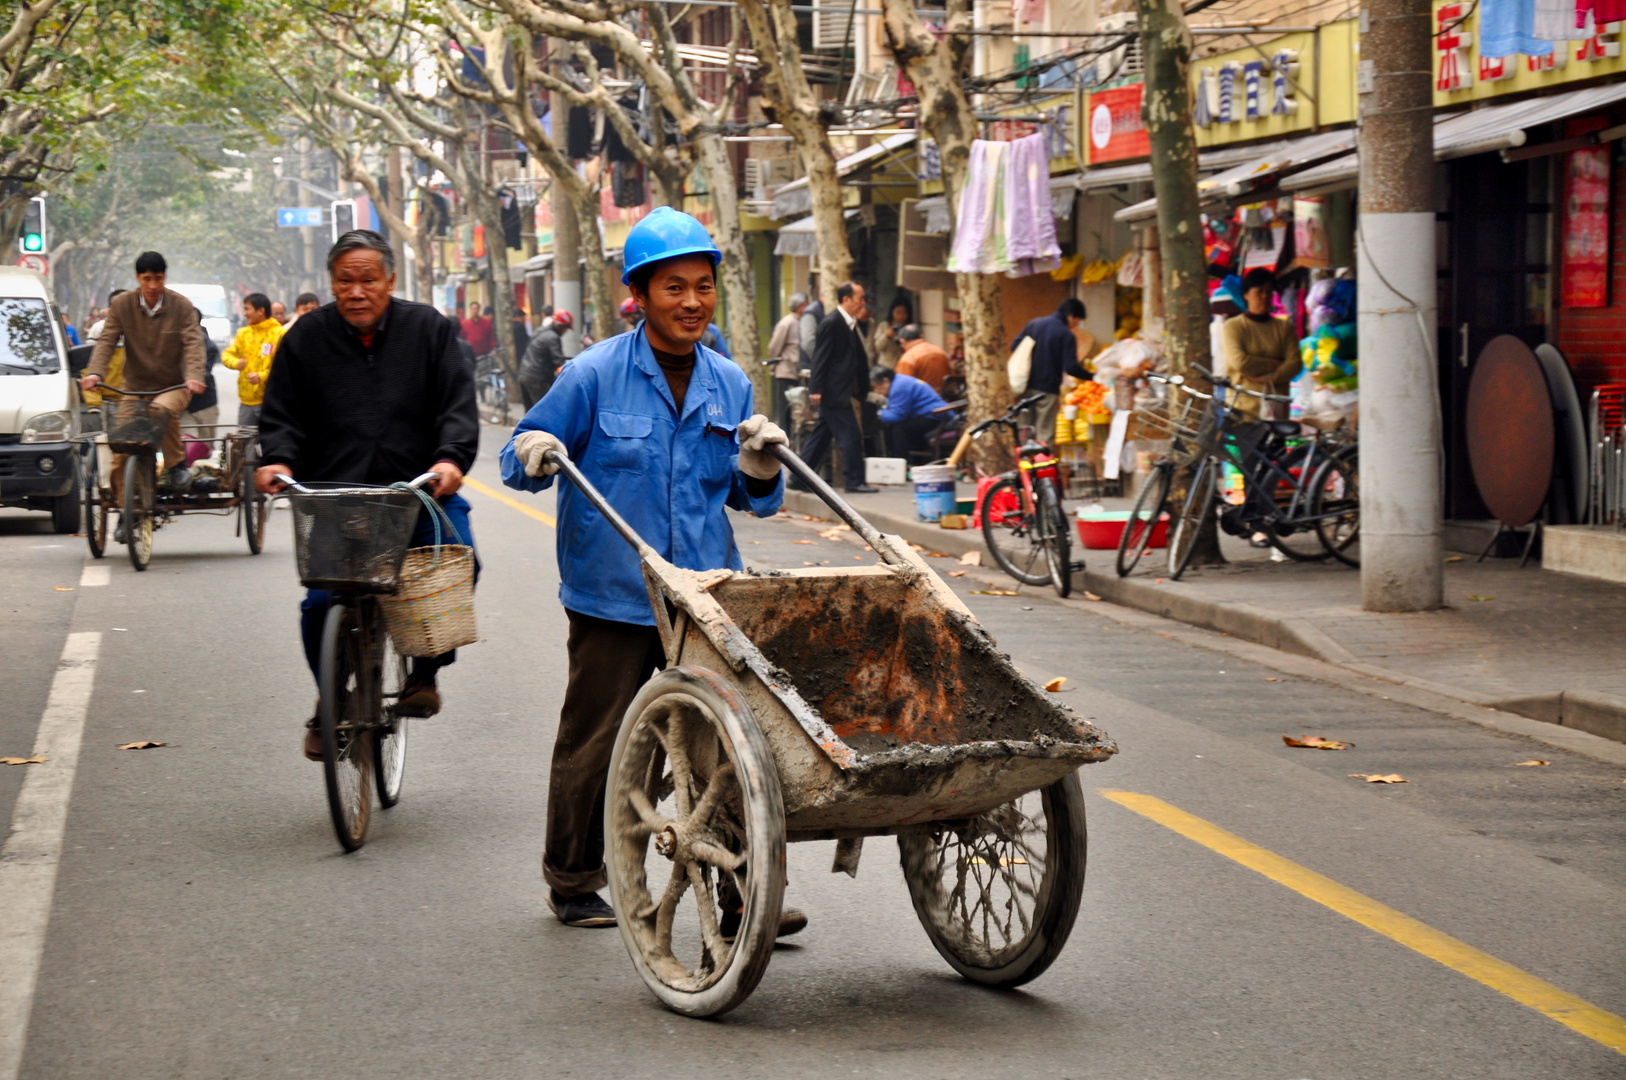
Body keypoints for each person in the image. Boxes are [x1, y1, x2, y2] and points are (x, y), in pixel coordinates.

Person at [499, 206, 796, 932]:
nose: (691, 302)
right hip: (615, 597)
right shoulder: (593, 374)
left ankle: (738, 896)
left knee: (723, 746)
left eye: (702, 287)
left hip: (703, 594)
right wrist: (536, 444)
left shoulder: (729, 383)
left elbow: (746, 495)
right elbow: (518, 456)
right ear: (639, 294)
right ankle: (571, 880)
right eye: (673, 288)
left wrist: (758, 467)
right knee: (598, 738)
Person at [255, 230, 479, 760]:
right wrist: (279, 460)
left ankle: (424, 675)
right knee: (318, 605)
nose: (356, 291)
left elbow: (456, 402)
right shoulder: (305, 338)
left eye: (368, 279)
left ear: (390, 281)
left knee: (455, 564)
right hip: (337, 499)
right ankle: (331, 695)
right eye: (344, 281)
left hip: (419, 492)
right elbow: (281, 413)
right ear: (332, 284)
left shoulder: (428, 330)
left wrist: (451, 457)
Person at [79, 252, 207, 531]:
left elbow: (194, 345)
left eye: (158, 279)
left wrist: (194, 377)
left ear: (164, 277)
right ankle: (127, 509)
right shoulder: (122, 305)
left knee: (160, 409)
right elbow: (106, 342)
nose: (152, 285)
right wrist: (94, 373)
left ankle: (176, 466)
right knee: (123, 448)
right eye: (146, 279)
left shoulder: (181, 306)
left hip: (174, 386)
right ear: (138, 279)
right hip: (134, 389)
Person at [795, 281, 876, 494]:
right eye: (859, 298)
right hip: (833, 391)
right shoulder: (832, 322)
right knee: (850, 436)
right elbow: (821, 357)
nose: (863, 303)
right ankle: (854, 481)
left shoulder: (850, 323)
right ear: (846, 299)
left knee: (821, 437)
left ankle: (797, 478)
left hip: (841, 389)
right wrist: (816, 388)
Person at [1221, 267, 1301, 421]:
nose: (1265, 296)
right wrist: (1277, 363)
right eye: (1259, 291)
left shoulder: (1284, 327)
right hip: (1244, 408)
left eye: (1269, 292)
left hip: (1276, 408)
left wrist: (1269, 378)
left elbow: (1295, 364)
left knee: (1276, 444)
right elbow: (1241, 362)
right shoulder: (1233, 326)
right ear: (1246, 295)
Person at [1012, 298, 1090, 443]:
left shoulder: (1034, 324)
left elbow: (1014, 346)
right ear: (1071, 316)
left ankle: (1025, 462)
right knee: (1045, 432)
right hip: (1047, 391)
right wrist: (1092, 376)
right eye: (1077, 322)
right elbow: (1071, 368)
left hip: (1025, 386)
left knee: (1024, 429)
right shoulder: (1066, 335)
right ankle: (1044, 464)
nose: (1075, 326)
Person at [221, 292, 285, 428]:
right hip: (246, 402)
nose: (244, 313)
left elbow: (283, 368)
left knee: (272, 444)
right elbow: (226, 355)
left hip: (270, 402)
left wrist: (261, 377)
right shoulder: (243, 333)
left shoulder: (279, 334)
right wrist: (236, 363)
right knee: (243, 446)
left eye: (247, 309)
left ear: (261, 311)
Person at [870, 366, 949, 459]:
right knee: (896, 427)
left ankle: (902, 462)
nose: (876, 391)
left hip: (935, 416)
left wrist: (877, 414)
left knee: (899, 429)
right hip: (930, 414)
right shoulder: (899, 381)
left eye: (876, 387)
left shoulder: (899, 386)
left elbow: (897, 415)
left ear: (885, 381)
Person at [767, 291, 809, 425]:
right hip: (787, 371)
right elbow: (774, 346)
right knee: (785, 409)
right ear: (800, 306)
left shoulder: (803, 321)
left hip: (800, 371)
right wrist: (774, 364)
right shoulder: (787, 323)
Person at [518, 309, 569, 408]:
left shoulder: (539, 331)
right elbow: (559, 362)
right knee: (543, 410)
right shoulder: (553, 337)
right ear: (560, 326)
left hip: (524, 374)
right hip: (537, 378)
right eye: (566, 328)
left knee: (530, 412)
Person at [183, 308, 222, 430]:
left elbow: (203, 372)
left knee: (200, 447)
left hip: (202, 404)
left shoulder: (205, 343)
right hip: (181, 404)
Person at [894, 324, 952, 393]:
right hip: (943, 398)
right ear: (921, 336)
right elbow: (949, 374)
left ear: (902, 341)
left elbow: (903, 387)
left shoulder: (908, 358)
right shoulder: (940, 351)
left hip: (922, 399)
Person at [870, 297, 912, 370]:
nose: (901, 316)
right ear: (892, 312)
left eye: (904, 313)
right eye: (898, 312)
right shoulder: (884, 326)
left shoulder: (910, 328)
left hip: (903, 366)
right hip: (886, 366)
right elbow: (878, 348)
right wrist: (887, 336)